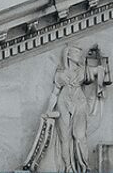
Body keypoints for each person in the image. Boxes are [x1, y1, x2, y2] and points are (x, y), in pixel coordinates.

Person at [40, 44, 100, 173]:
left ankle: (85, 166)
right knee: (65, 137)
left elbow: (98, 70)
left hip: (79, 101)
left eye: (80, 53)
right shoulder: (61, 74)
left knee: (80, 136)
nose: (79, 55)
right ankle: (68, 168)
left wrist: (100, 63)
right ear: (68, 55)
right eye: (77, 53)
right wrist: (48, 110)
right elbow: (55, 93)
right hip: (63, 101)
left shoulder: (83, 70)